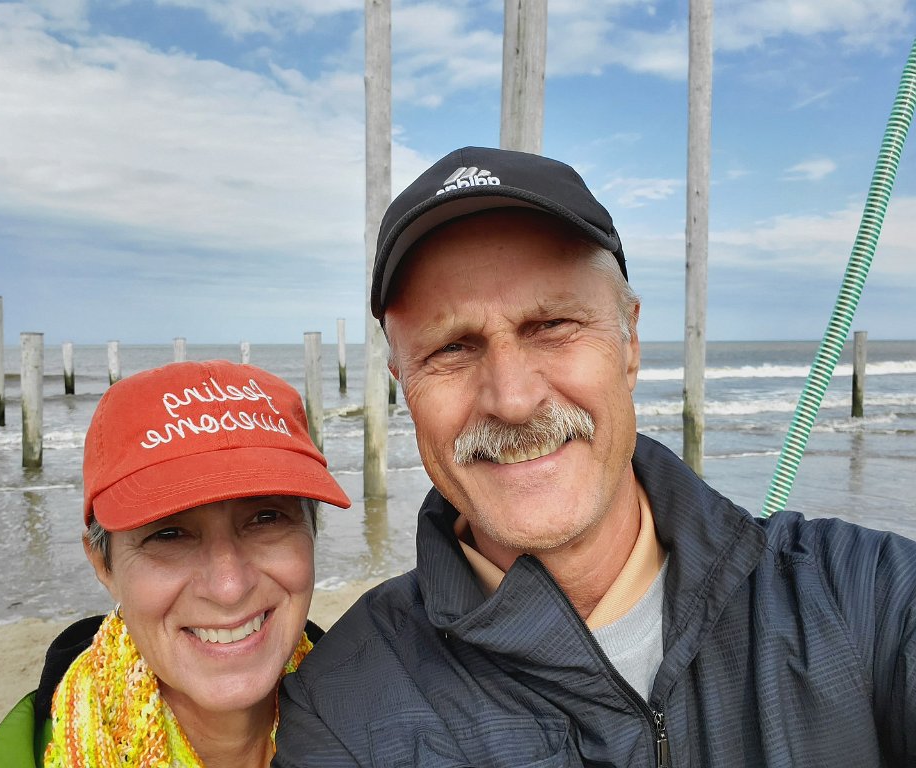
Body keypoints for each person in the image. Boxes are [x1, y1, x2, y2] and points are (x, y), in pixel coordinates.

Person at [274, 146, 916, 767]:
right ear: (401, 382)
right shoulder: (348, 706)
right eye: (451, 348)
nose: (515, 399)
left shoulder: (863, 596)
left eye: (552, 325)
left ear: (630, 342)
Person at [0, 359, 351, 768]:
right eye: (169, 535)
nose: (229, 587)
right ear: (103, 565)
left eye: (266, 517)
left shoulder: (389, 716)